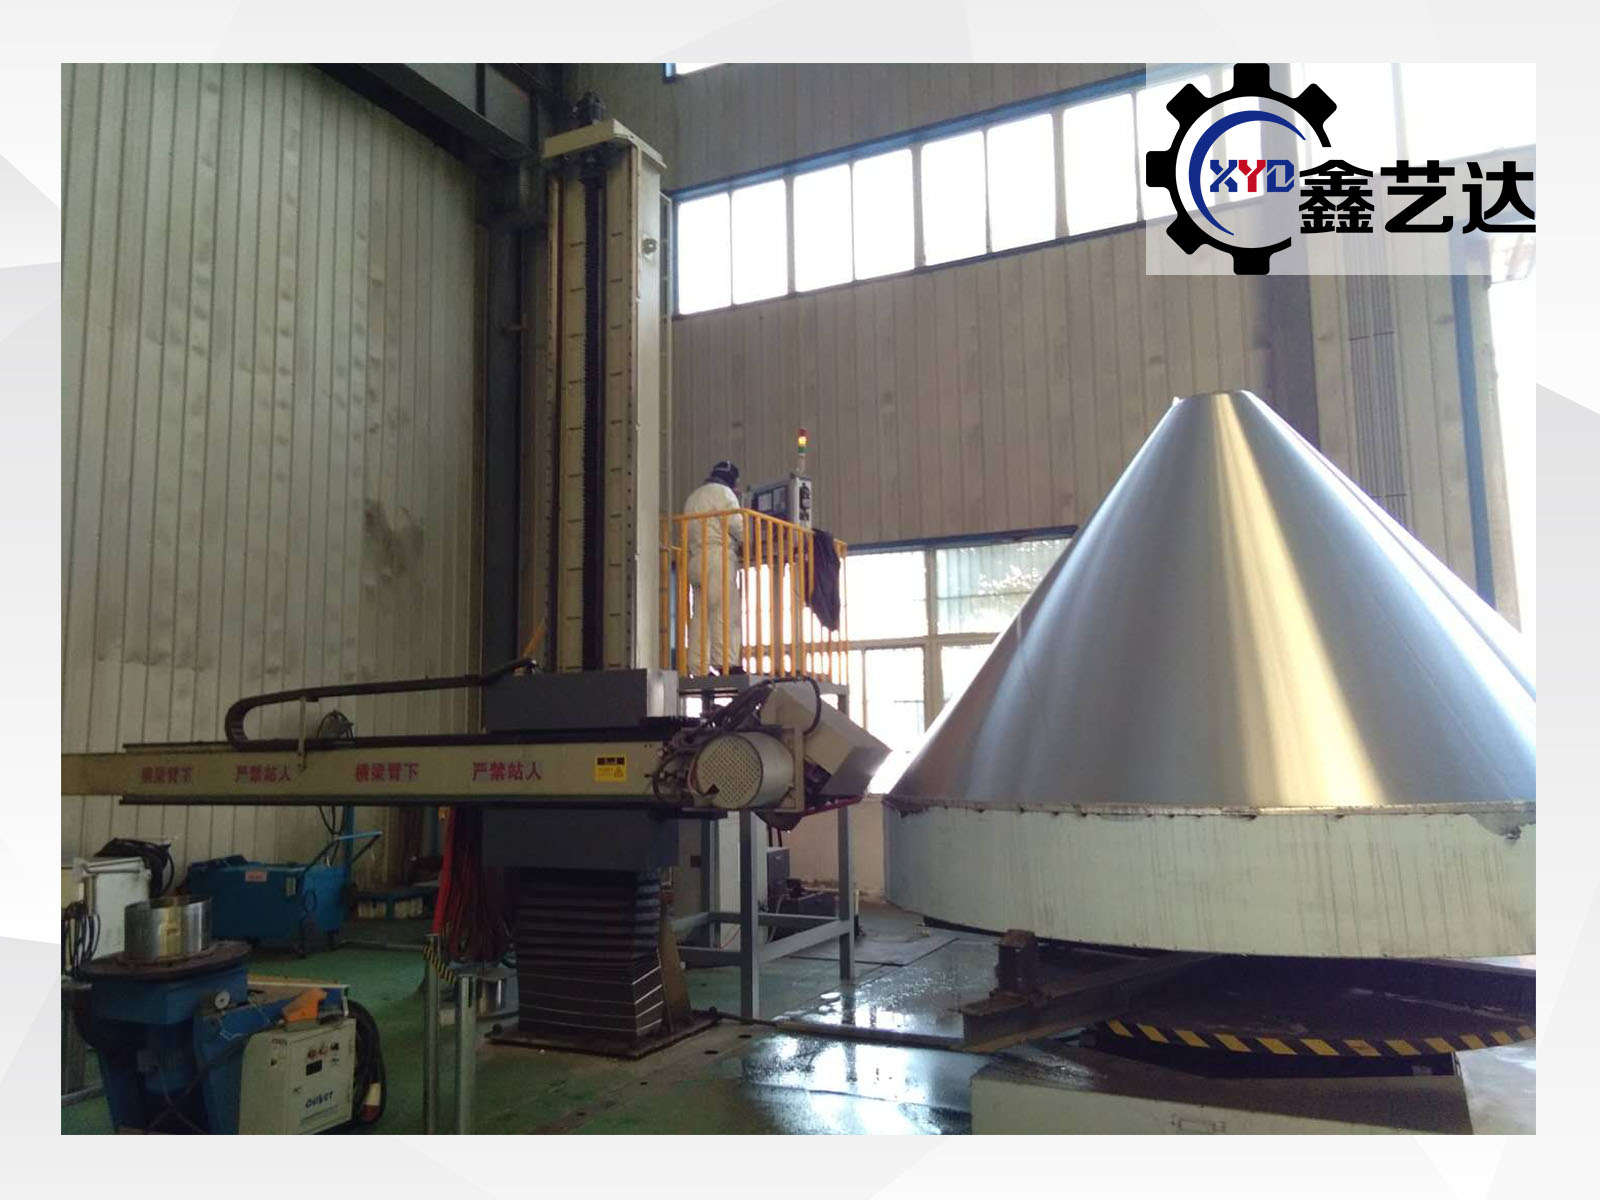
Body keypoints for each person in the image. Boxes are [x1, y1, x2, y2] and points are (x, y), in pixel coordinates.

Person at [683, 460, 744, 674]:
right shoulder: (724, 494)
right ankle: (726, 663)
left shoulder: (693, 497)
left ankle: (698, 667)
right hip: (718, 558)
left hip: (696, 560)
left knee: (701, 615)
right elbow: (737, 527)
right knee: (724, 611)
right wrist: (749, 539)